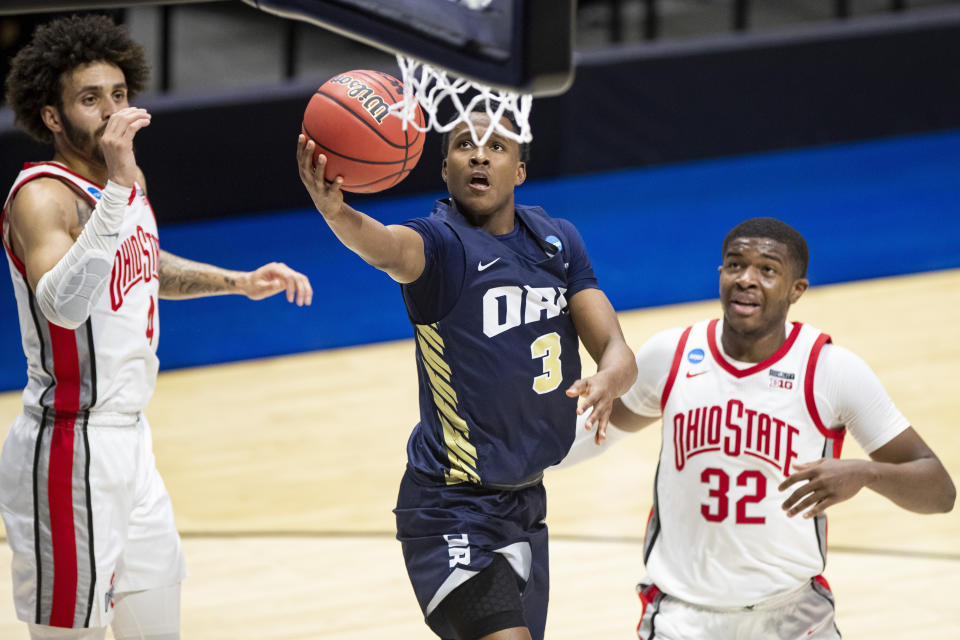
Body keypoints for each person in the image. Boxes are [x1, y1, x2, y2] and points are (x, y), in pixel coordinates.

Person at [0, 14, 313, 640]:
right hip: (68, 448)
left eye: (120, 95)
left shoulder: (126, 184)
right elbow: (62, 304)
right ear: (54, 118)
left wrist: (236, 281)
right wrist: (117, 189)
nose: (114, 113)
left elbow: (143, 265)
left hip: (133, 444)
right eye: (91, 100)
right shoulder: (40, 196)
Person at [297, 107, 637, 640]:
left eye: (497, 146)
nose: (479, 153)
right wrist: (337, 213)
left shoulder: (557, 240)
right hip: (450, 507)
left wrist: (610, 378)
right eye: (463, 144)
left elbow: (614, 345)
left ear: (520, 171)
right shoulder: (439, 245)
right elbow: (386, 248)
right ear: (444, 168)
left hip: (526, 503)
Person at [563, 217, 955, 639]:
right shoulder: (673, 354)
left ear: (796, 289)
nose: (746, 279)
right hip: (683, 617)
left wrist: (867, 473)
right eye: (735, 265)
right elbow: (593, 433)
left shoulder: (831, 370)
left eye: (767, 270)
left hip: (793, 615)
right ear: (720, 276)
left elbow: (939, 492)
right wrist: (499, 460)